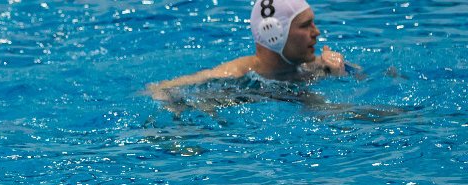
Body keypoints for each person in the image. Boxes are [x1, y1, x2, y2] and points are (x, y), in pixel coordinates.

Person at [147, 0, 351, 104]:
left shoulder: (317, 65)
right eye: (306, 25)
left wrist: (340, 72)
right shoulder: (234, 74)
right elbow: (158, 88)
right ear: (274, 33)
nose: (317, 32)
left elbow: (362, 77)